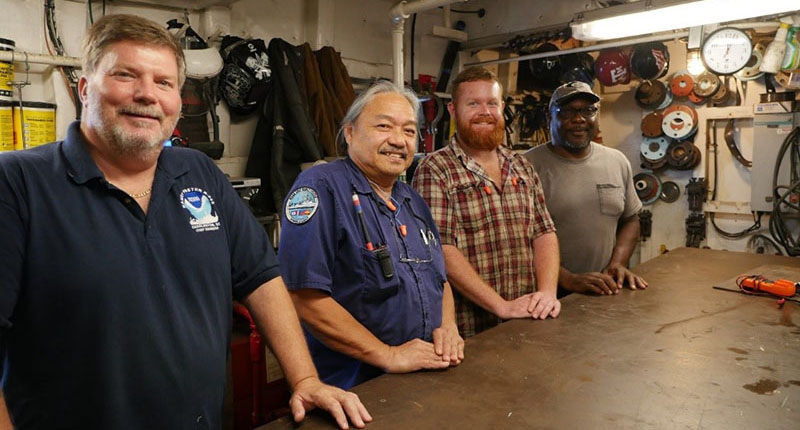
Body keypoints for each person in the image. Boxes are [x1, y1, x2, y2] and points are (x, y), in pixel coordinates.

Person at [0, 14, 369, 430]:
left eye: (163, 82)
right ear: (85, 89)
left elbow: (262, 280)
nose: (147, 95)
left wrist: (304, 378)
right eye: (125, 75)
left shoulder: (198, 172)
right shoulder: (18, 183)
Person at [278, 81, 464, 389]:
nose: (398, 140)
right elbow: (303, 297)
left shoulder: (411, 199)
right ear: (349, 132)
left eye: (408, 131)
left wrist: (448, 326)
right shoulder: (320, 188)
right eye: (383, 126)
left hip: (422, 374)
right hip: (356, 385)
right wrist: (388, 354)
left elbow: (438, 278)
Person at [412, 67, 561, 338]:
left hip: (527, 321)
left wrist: (547, 293)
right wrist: (501, 307)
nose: (485, 111)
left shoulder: (521, 165)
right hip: (470, 332)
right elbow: (441, 250)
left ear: (502, 107)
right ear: (453, 110)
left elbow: (544, 233)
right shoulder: (436, 169)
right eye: (473, 103)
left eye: (492, 103)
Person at [525, 81, 647, 296]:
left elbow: (630, 220)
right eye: (567, 111)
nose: (579, 119)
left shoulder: (617, 161)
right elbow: (517, 241)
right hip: (544, 295)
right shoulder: (525, 167)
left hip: (604, 289)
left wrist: (617, 264)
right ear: (549, 118)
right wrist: (568, 280)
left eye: (588, 111)